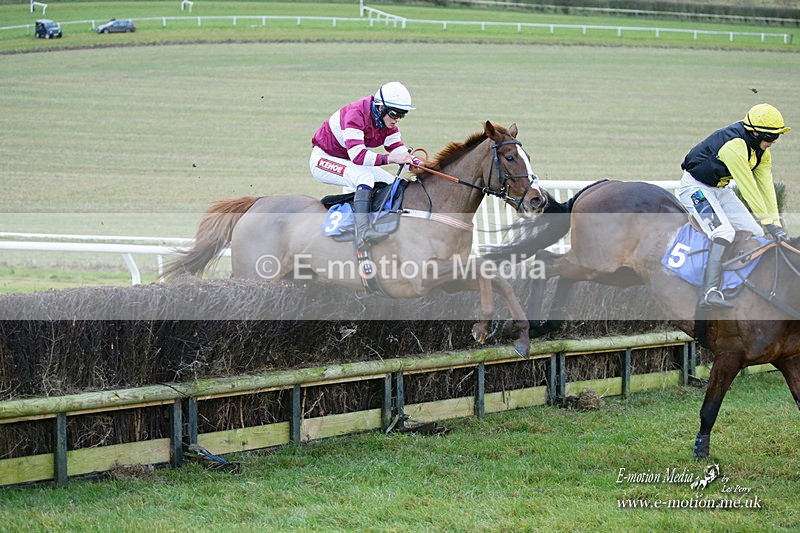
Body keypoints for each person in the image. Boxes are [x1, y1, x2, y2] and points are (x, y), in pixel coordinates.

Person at [678, 103, 791, 310]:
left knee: (754, 232)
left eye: (777, 137)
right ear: (755, 132)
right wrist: (768, 222)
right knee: (723, 232)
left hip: (721, 190)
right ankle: (709, 291)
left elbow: (766, 187)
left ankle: (734, 282)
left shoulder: (762, 151)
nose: (773, 142)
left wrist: (774, 223)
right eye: (769, 137)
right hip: (694, 188)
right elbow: (749, 189)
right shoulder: (734, 146)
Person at [310, 81, 416, 247]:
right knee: (364, 177)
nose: (398, 119)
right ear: (380, 107)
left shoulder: (387, 123)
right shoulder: (355, 114)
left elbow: (398, 150)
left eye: (403, 115)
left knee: (394, 184)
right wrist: (392, 159)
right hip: (324, 160)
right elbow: (359, 156)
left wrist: (417, 163)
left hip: (350, 161)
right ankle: (363, 231)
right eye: (395, 114)